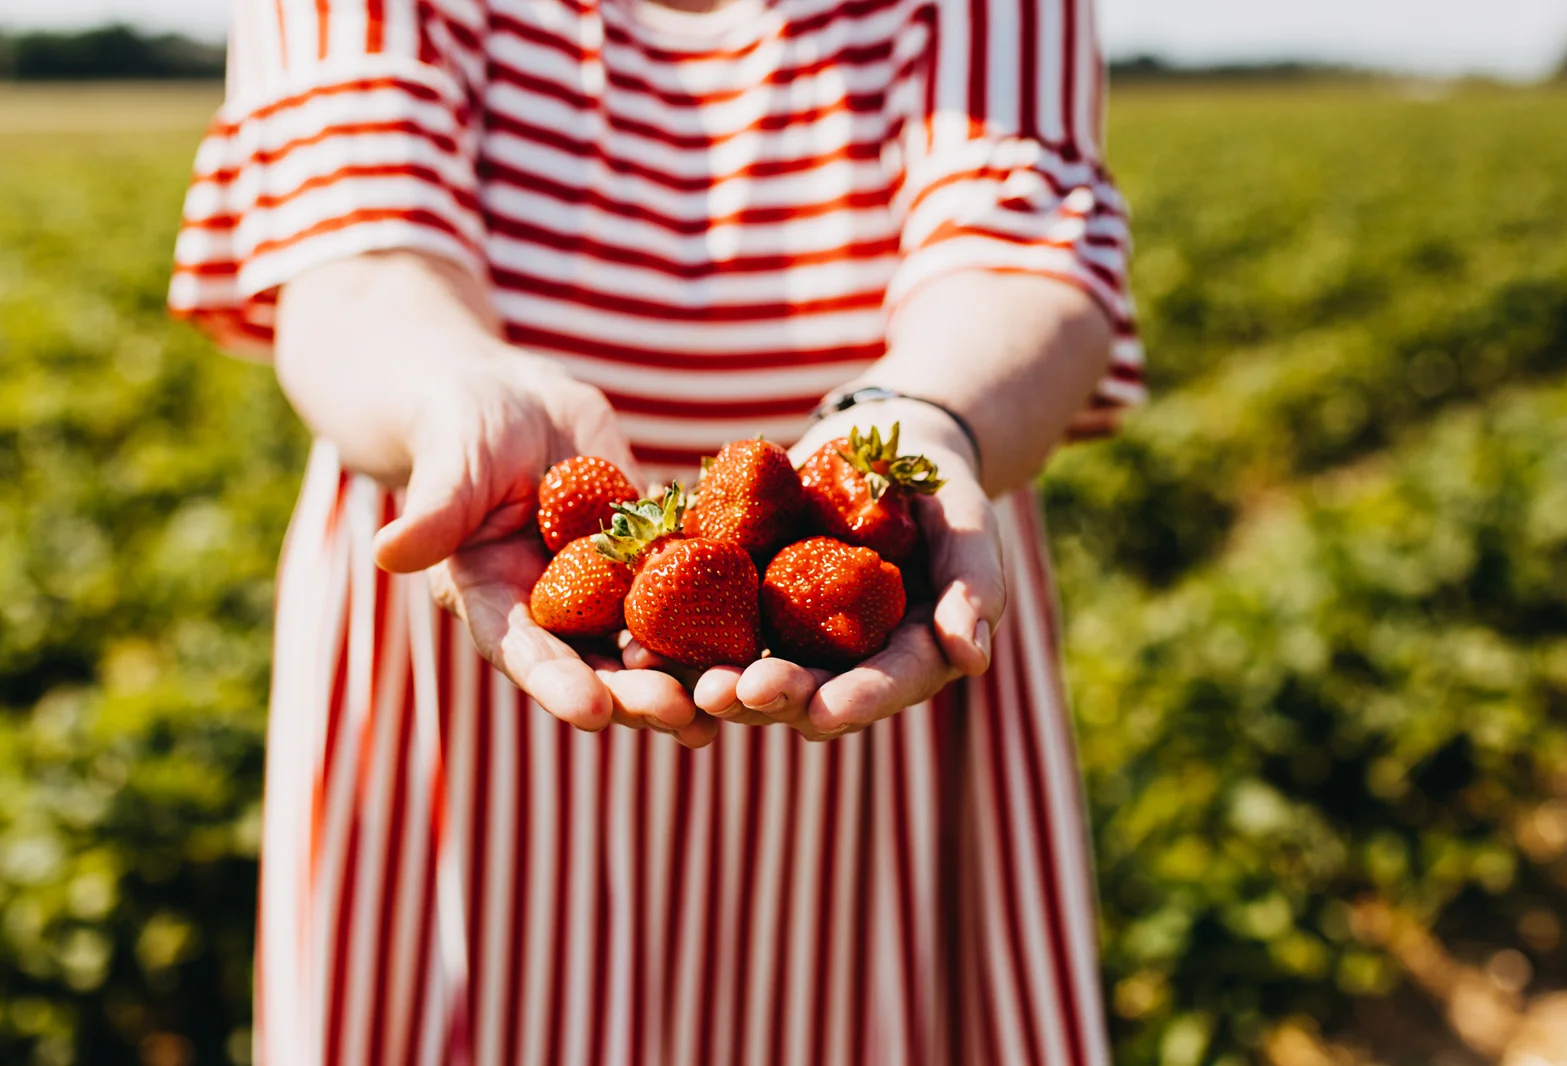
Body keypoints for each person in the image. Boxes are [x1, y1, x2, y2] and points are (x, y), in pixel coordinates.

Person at [169, 0, 1143, 1060]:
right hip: (474, 618)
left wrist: (927, 420)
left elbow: (1016, 252)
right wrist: (453, 392)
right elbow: (354, 249)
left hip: (886, 653)